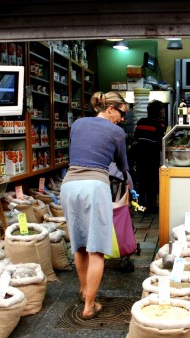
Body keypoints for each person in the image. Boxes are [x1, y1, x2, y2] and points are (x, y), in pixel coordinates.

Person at [60, 91, 129, 320]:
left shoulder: (78, 124)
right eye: (121, 113)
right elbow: (122, 165)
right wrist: (128, 180)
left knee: (79, 244)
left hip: (69, 185)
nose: (122, 119)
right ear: (110, 108)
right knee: (97, 249)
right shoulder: (117, 132)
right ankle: (89, 306)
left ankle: (84, 290)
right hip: (94, 187)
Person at [131, 100, 166, 212]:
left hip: (139, 155)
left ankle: (141, 205)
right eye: (162, 109)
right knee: (152, 180)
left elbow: (135, 137)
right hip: (152, 155)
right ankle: (151, 206)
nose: (163, 111)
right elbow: (161, 141)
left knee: (141, 179)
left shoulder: (141, 121)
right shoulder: (160, 124)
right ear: (158, 111)